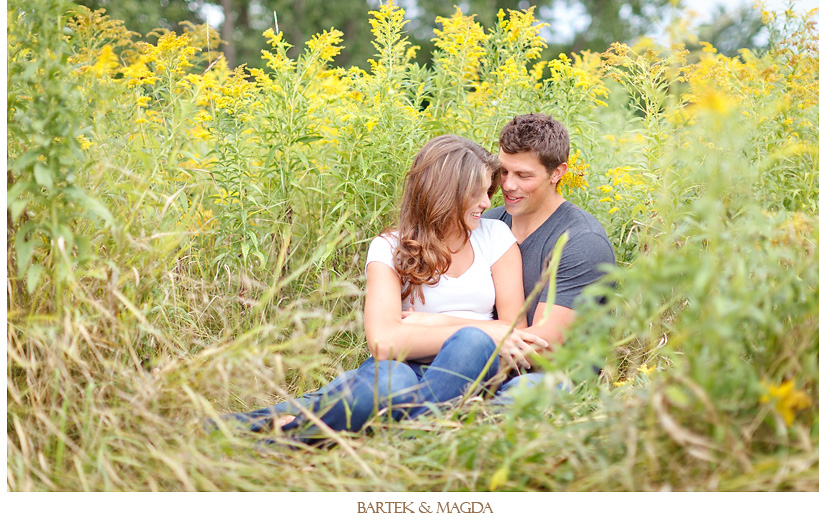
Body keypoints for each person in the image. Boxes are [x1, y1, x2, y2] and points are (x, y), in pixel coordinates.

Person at [208, 134, 548, 443]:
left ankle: (402, 439)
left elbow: (512, 334)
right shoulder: (390, 246)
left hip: (471, 365)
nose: (486, 203)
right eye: (475, 192)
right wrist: (480, 327)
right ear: (445, 192)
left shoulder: (495, 238)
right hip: (402, 365)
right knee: (388, 387)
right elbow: (384, 342)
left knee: (472, 342)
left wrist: (425, 323)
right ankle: (280, 436)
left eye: (487, 191)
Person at [377, 114, 617, 397]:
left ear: (557, 173)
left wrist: (430, 322)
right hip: (482, 366)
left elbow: (540, 350)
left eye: (523, 176)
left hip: (547, 378)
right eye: (503, 172)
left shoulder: (581, 241)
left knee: (518, 398)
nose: (507, 186)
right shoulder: (486, 223)